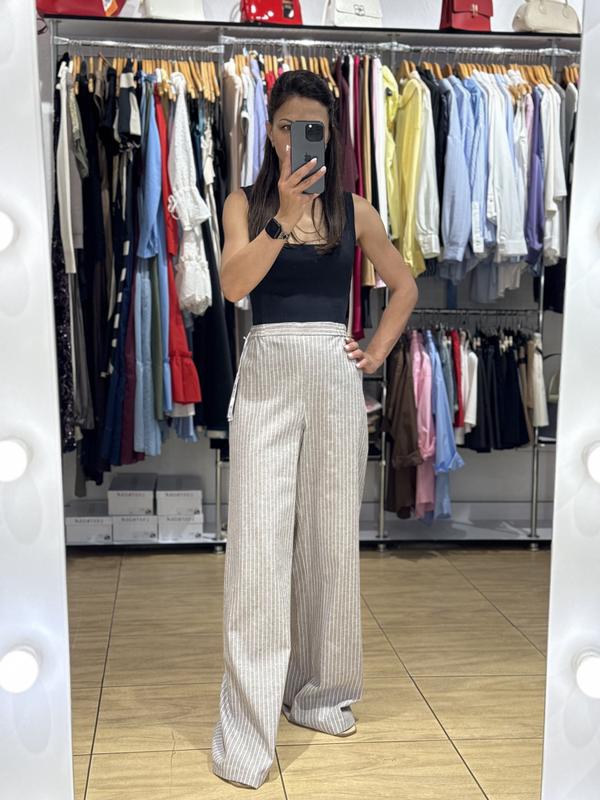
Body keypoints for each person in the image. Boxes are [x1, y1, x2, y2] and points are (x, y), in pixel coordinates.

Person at [211, 70, 418, 790]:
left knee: (329, 541)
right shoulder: (244, 204)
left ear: (330, 137)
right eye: (289, 126)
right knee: (258, 551)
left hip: (332, 374)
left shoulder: (354, 209)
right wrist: (283, 217)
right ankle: (248, 725)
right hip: (267, 372)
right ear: (270, 131)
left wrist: (378, 350)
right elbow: (233, 285)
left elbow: (404, 285)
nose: (300, 139)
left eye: (316, 130)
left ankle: (322, 693)